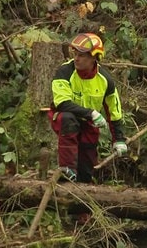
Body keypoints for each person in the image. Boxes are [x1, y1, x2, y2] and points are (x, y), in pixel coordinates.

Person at [49, 33, 128, 185]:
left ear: (94, 58)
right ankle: (67, 170)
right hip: (63, 117)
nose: (77, 59)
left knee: (86, 165)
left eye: (82, 56)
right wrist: (91, 113)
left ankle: (82, 200)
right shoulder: (64, 72)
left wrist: (118, 139)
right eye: (76, 54)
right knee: (68, 119)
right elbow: (62, 103)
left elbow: (114, 112)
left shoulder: (105, 80)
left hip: (89, 124)